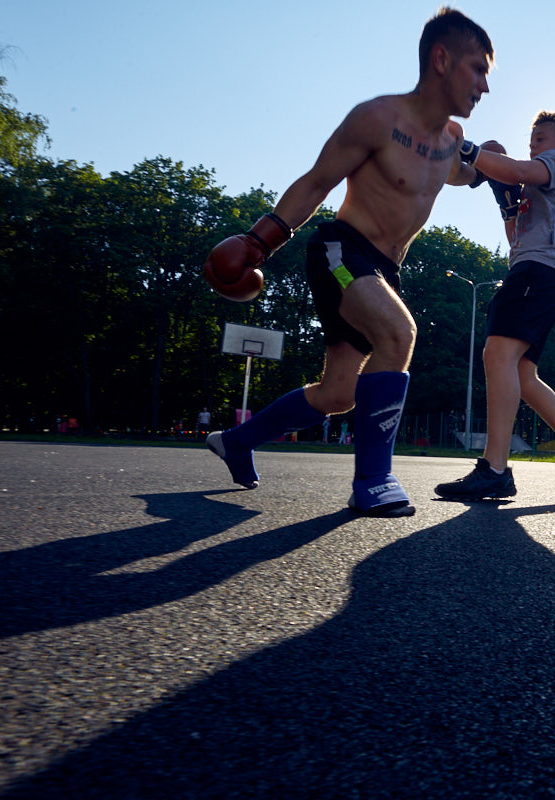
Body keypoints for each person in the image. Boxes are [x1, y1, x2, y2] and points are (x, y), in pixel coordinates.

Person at [202, 8, 494, 517]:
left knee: (339, 394)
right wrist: (258, 243)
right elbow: (318, 181)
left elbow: (458, 175)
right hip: (341, 251)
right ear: (442, 59)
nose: (485, 86)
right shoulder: (378, 119)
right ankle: (373, 481)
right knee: (399, 335)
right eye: (479, 68)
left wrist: (491, 170)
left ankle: (237, 441)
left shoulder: (448, 140)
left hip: (384, 269)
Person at [435, 111, 555, 500]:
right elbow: (514, 234)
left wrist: (468, 149)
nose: (535, 145)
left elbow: (512, 168)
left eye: (541, 139)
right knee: (523, 376)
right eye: (532, 140)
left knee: (496, 355)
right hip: (540, 271)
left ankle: (495, 469)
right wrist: (506, 202)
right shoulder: (531, 185)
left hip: (538, 272)